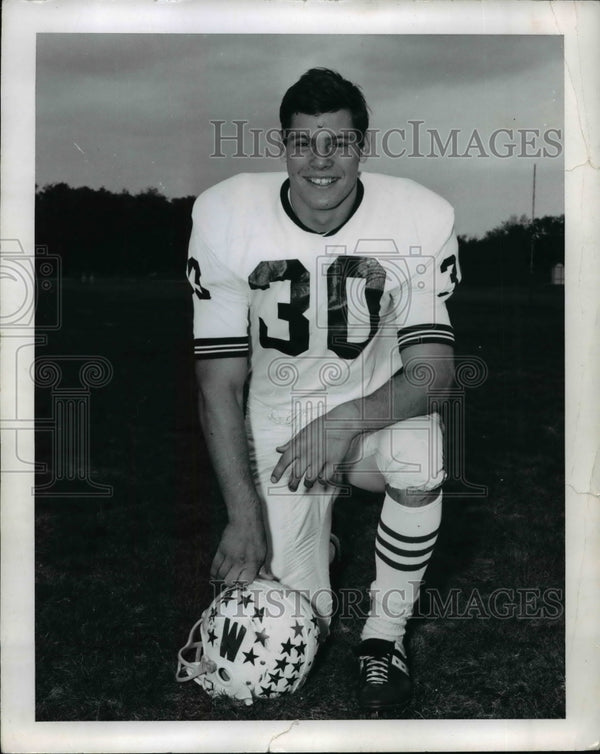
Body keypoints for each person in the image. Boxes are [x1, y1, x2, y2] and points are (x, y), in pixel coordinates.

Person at [187, 68, 460, 711]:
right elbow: (217, 384)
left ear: (362, 147)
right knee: (297, 629)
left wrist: (343, 422)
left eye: (338, 142)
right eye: (304, 142)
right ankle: (321, 550)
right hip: (279, 429)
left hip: (370, 419)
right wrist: (243, 516)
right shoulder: (225, 214)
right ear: (282, 146)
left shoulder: (420, 215)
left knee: (422, 457)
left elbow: (433, 371)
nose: (321, 160)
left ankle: (384, 638)